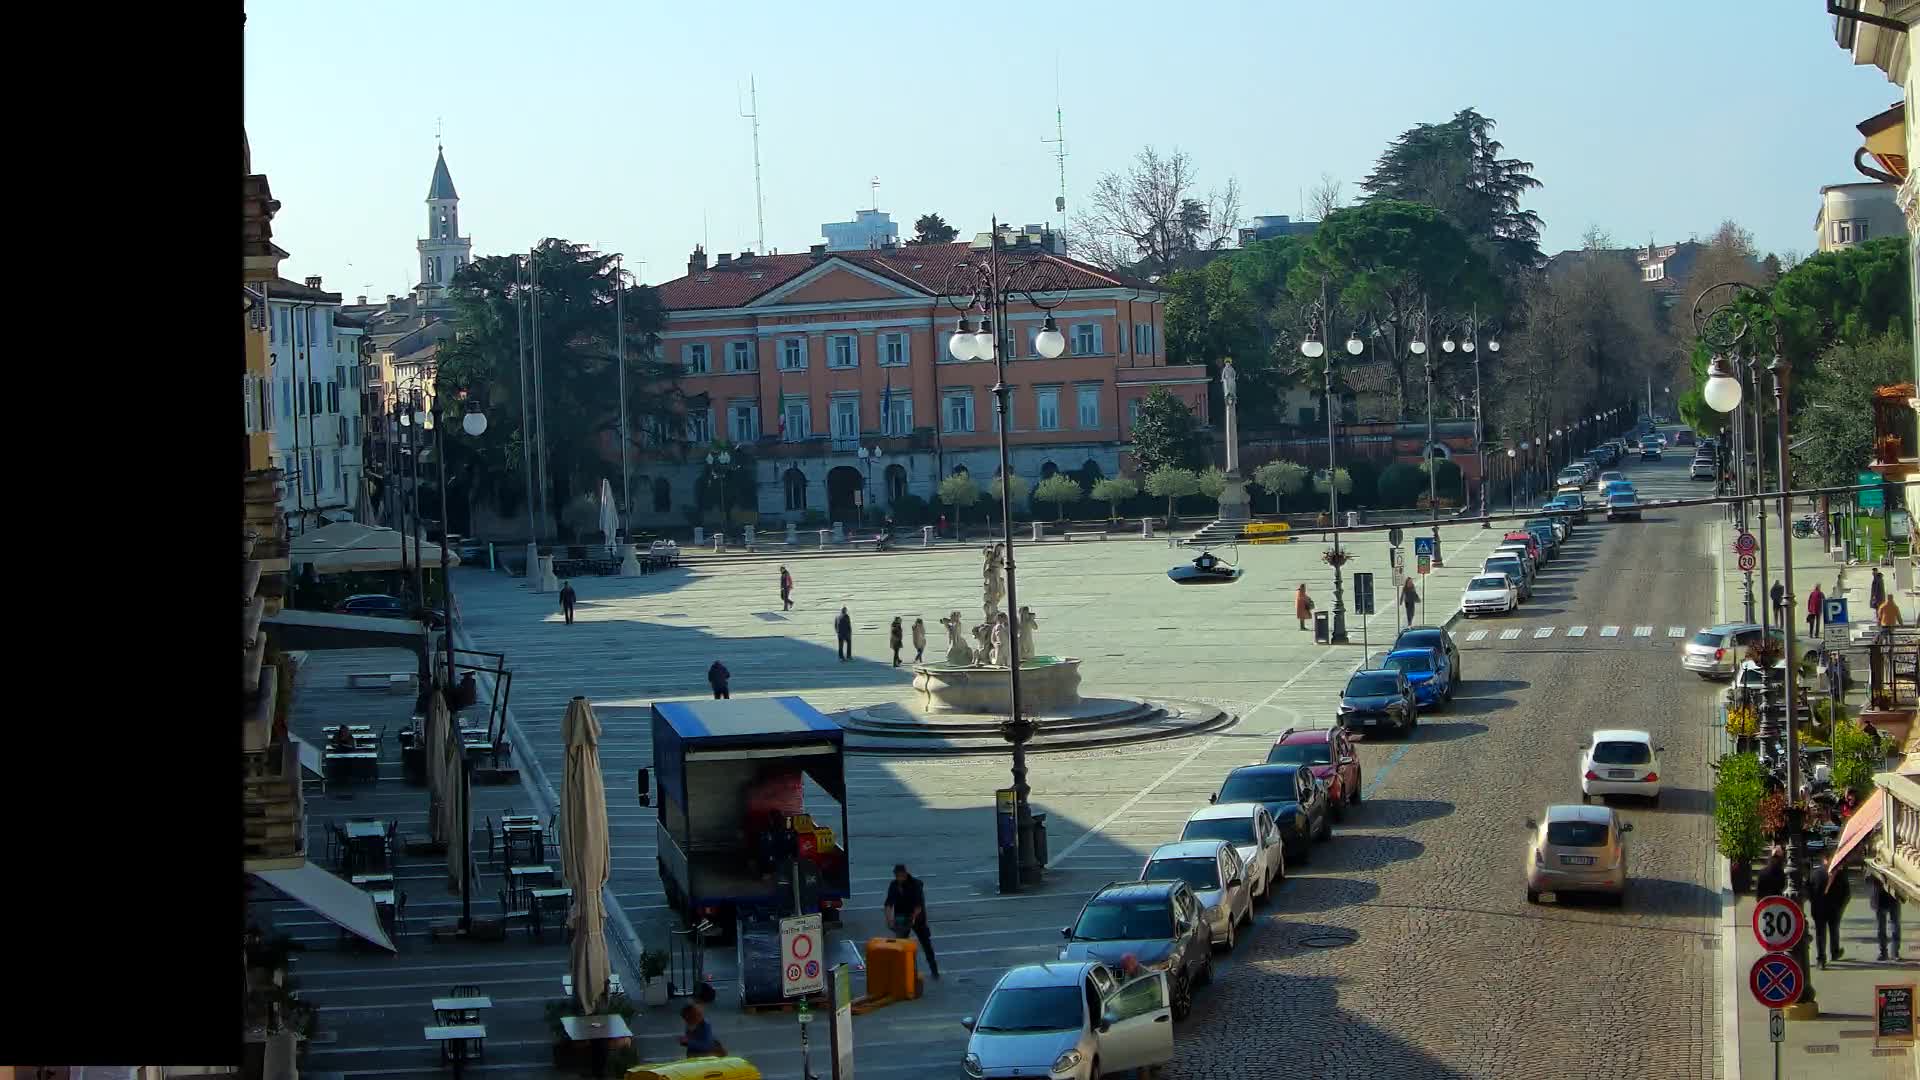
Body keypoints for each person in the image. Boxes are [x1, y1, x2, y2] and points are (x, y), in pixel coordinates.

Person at [884, 863, 939, 980]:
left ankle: (934, 970)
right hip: (902, 917)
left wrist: (913, 918)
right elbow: (889, 903)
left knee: (926, 944)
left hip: (917, 918)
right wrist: (889, 919)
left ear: (905, 874)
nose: (898, 878)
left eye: (900, 876)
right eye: (896, 876)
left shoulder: (915, 884)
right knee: (900, 945)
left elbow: (918, 906)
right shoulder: (893, 885)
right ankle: (903, 972)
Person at [1809, 859, 1849, 968]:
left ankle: (1821, 959)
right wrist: (1841, 905)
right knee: (1834, 930)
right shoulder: (1839, 874)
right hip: (1834, 908)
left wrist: (1814, 902)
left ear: (1823, 860)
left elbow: (1809, 891)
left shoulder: (1815, 874)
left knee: (1820, 934)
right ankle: (1835, 952)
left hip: (1818, 909)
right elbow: (1846, 893)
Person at [1871, 871, 1904, 960]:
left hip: (1894, 898)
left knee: (1895, 926)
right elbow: (1867, 878)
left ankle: (1895, 953)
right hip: (1879, 899)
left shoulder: (1894, 861)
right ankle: (1883, 953)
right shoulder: (1874, 863)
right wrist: (1877, 876)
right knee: (1881, 928)